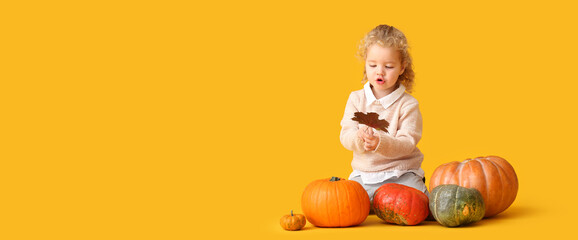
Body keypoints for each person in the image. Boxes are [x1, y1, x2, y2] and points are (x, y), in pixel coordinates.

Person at [340, 24, 428, 204]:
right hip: (365, 176)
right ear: (365, 62)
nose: (379, 71)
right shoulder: (356, 99)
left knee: (421, 204)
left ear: (402, 67)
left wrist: (380, 142)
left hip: (401, 174)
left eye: (388, 66)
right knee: (345, 204)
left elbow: (407, 143)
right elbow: (345, 134)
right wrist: (359, 137)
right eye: (372, 65)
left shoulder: (408, 104)